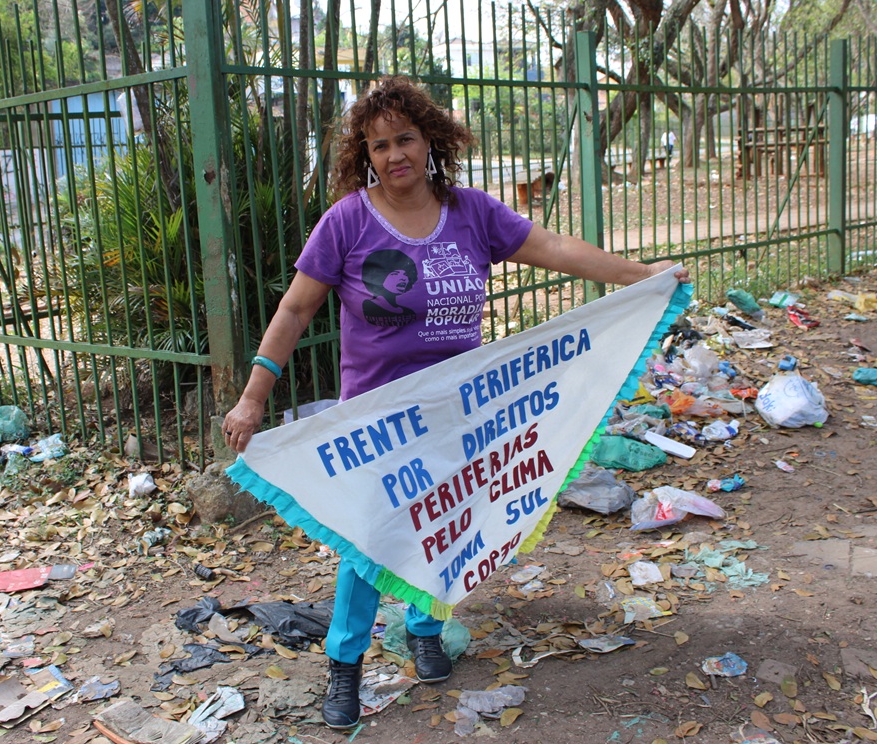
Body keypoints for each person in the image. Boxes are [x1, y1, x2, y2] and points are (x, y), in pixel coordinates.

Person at [221, 76, 690, 730]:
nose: (394, 155)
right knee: (368, 543)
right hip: (377, 424)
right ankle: (345, 663)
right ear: (365, 155)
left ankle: (424, 628)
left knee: (444, 526)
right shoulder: (347, 222)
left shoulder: (471, 213)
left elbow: (553, 248)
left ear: (429, 138)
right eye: (379, 145)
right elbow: (295, 309)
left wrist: (643, 276)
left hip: (457, 414)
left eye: (404, 138)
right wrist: (251, 399)